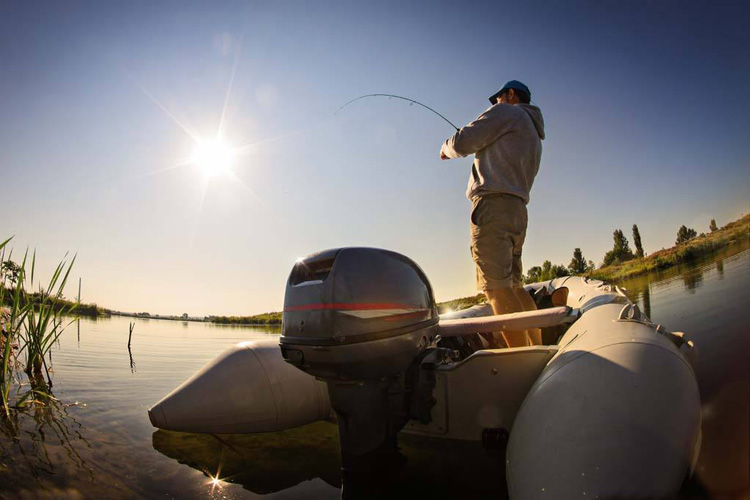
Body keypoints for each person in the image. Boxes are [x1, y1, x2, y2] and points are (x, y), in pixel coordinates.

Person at [440, 80, 545, 347]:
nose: (494, 104)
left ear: (510, 95)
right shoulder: (533, 132)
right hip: (517, 211)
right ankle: (539, 348)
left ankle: (524, 365)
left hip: (493, 209)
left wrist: (445, 149)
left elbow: (463, 142)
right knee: (515, 287)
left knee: (496, 289)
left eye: (497, 98)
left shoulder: (507, 112)